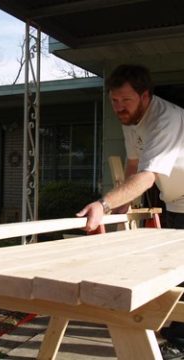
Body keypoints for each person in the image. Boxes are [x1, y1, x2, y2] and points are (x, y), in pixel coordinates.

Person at [77, 64, 184, 359]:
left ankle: (180, 343)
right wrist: (119, 210)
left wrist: (104, 203)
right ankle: (175, 333)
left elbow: (148, 175)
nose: (119, 108)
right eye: (114, 101)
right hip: (176, 201)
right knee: (176, 274)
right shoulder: (131, 121)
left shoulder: (166, 118)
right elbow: (133, 165)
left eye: (126, 100)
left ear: (145, 96)